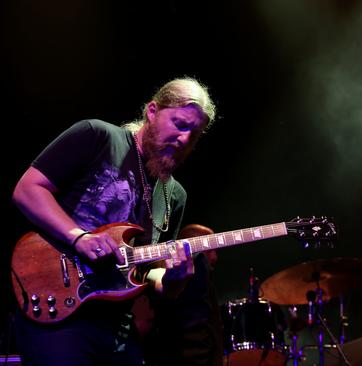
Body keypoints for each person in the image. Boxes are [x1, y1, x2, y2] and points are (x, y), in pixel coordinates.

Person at [11, 77, 217, 366]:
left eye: (193, 135)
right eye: (180, 124)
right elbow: (28, 189)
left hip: (117, 329)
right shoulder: (96, 135)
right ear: (152, 111)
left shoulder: (174, 195)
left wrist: (174, 281)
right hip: (58, 311)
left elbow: (149, 275)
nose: (184, 139)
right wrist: (78, 237)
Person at [141, 223, 223, 366]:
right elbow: (155, 279)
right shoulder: (159, 272)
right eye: (210, 250)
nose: (215, 256)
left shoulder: (205, 277)